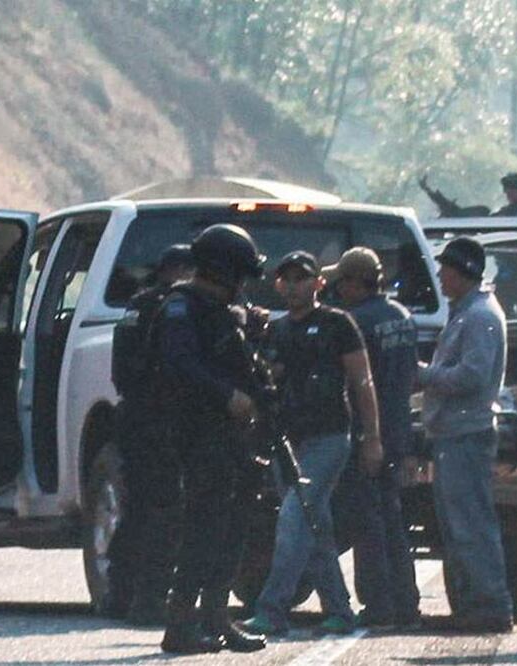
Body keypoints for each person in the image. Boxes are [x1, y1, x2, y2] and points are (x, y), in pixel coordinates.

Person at [243, 250, 384, 636]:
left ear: (319, 283)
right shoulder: (277, 329)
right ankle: (340, 609)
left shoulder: (338, 324)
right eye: (285, 279)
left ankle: (271, 609)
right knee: (314, 524)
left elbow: (362, 381)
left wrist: (372, 438)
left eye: (301, 278)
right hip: (287, 439)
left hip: (330, 437)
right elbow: (267, 381)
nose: (292, 286)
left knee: (293, 518)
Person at [154, 225, 268, 654]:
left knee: (229, 528)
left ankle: (217, 618)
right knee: (203, 529)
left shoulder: (223, 310)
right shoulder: (182, 307)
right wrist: (228, 397)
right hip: (197, 433)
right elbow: (180, 364)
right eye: (240, 274)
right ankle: (181, 623)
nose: (243, 285)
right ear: (224, 271)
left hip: (230, 436)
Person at [417, 236, 514, 632]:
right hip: (453, 433)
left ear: (464, 272)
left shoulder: (479, 316)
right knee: (459, 523)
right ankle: (471, 606)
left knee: (471, 523)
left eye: (447, 268)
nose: (440, 274)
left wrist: (424, 375)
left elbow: (473, 375)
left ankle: (490, 607)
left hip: (466, 433)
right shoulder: (465, 312)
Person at [325, 247, 422, 628]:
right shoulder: (402, 316)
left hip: (367, 432)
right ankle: (406, 603)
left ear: (354, 282)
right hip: (398, 429)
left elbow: (354, 382)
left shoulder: (355, 322)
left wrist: (366, 435)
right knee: (392, 521)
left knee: (366, 522)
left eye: (341, 282)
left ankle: (379, 604)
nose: (337, 289)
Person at [109, 244, 194, 626]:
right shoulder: (175, 307)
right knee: (164, 510)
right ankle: (146, 597)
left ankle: (122, 592)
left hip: (138, 416)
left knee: (141, 508)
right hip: (161, 419)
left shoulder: (139, 305)